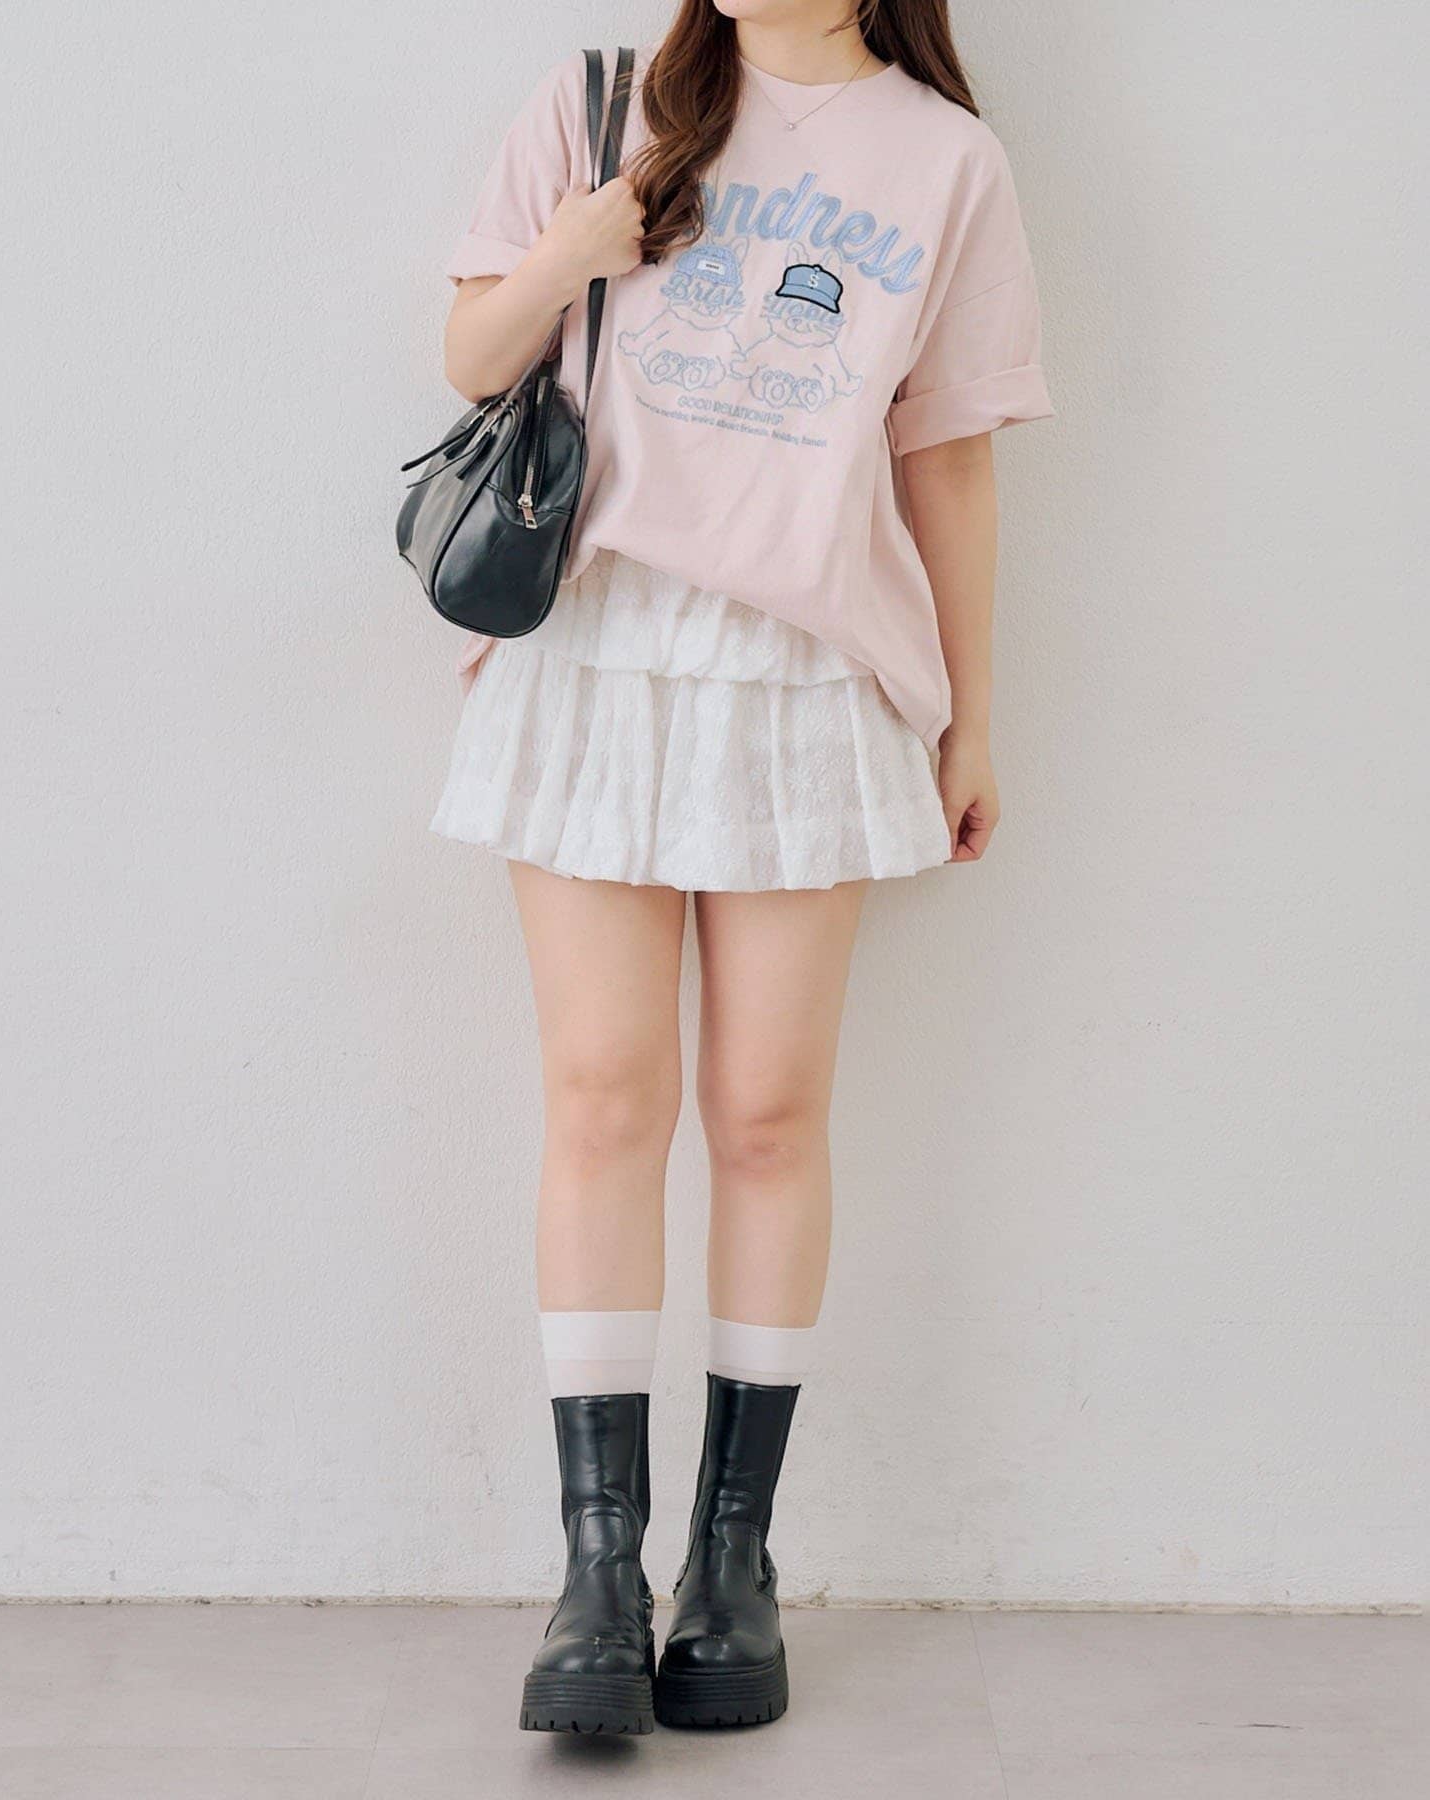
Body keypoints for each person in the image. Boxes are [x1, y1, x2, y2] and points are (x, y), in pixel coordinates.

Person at [430, 0, 1050, 1735]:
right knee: (603, 1101)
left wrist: (971, 719)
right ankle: (597, 1575)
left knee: (770, 1114)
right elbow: (471, 360)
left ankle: (732, 1564)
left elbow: (949, 457)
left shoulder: (947, 161)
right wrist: (573, 249)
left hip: (804, 674)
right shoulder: (599, 100)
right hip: (599, 652)